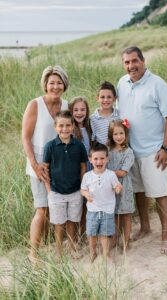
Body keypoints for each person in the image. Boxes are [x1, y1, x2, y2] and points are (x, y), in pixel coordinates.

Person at [117, 46, 167, 254]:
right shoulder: (122, 84)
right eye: (127, 62)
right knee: (139, 192)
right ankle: (145, 228)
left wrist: (165, 148)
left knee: (159, 193)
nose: (131, 66)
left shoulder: (158, 84)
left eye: (135, 61)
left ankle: (166, 235)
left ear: (143, 61)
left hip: (153, 150)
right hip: (131, 151)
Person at [22, 65, 69, 263]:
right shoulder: (35, 105)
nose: (55, 86)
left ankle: (54, 244)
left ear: (64, 84)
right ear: (45, 84)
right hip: (39, 164)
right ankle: (33, 252)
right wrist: (34, 163)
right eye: (52, 83)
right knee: (41, 208)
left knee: (55, 207)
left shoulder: (66, 105)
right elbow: (25, 137)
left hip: (60, 165)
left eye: (59, 83)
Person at [43, 110, 87, 258]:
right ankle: (59, 251)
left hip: (75, 190)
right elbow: (45, 169)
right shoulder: (50, 146)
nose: (65, 129)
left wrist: (82, 187)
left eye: (68, 125)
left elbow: (83, 167)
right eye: (61, 125)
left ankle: (73, 247)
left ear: (73, 126)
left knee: (72, 220)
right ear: (55, 127)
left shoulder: (79, 145)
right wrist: (49, 190)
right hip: (56, 191)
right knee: (58, 222)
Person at [81, 143, 122, 262]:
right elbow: (83, 189)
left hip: (107, 209)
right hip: (93, 210)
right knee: (92, 234)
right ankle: (93, 252)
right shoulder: (87, 176)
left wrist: (118, 188)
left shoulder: (111, 174)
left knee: (105, 234)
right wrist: (86, 194)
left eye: (102, 158)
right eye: (96, 158)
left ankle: (106, 253)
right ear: (90, 160)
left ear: (107, 159)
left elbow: (116, 186)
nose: (99, 161)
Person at [107, 119, 135, 252]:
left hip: (124, 187)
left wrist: (105, 173)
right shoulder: (108, 151)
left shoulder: (128, 152)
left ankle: (126, 240)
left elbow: (123, 172)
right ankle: (114, 238)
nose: (118, 137)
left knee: (126, 214)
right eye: (115, 134)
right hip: (110, 188)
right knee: (114, 214)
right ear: (111, 136)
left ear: (126, 134)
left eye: (121, 133)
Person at [69, 96, 92, 239]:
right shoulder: (71, 129)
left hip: (89, 170)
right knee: (75, 204)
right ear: (70, 111)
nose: (79, 113)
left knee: (85, 204)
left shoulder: (88, 128)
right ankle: (75, 236)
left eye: (82, 109)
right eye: (75, 110)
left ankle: (83, 233)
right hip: (77, 171)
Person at [90, 81, 120, 145]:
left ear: (114, 99)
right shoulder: (93, 118)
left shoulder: (119, 115)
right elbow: (92, 139)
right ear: (97, 98)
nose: (105, 100)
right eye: (102, 97)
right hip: (102, 152)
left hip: (118, 152)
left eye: (109, 97)